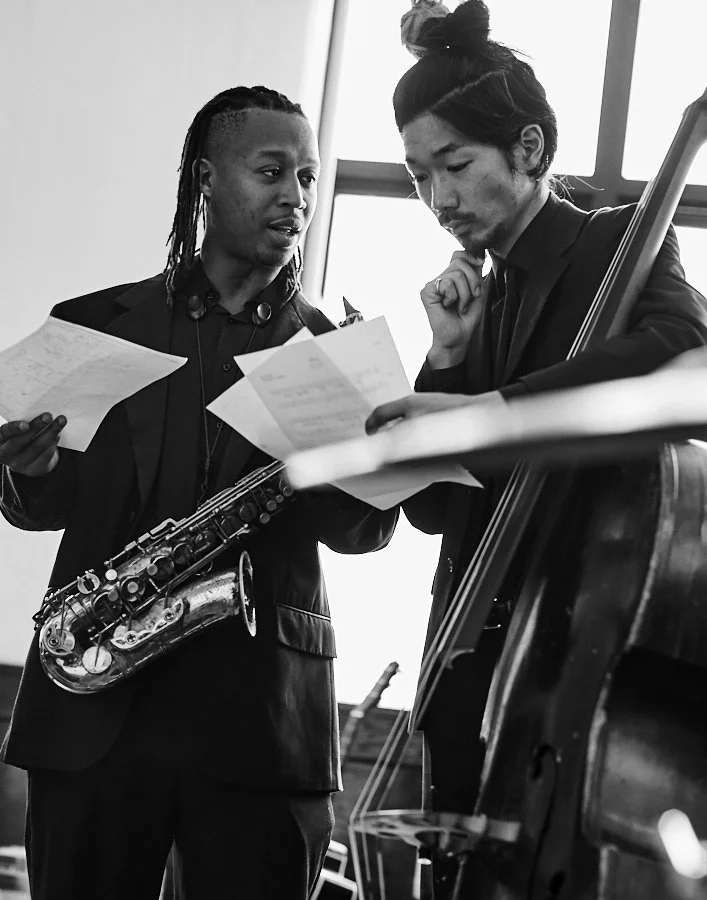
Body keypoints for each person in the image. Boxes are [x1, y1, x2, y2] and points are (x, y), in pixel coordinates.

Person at [0, 85, 397, 900]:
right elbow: (47, 503)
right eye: (271, 171)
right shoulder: (92, 325)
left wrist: (349, 449)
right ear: (205, 179)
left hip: (265, 720)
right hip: (97, 710)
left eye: (309, 177)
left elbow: (363, 529)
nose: (296, 196)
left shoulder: (331, 349)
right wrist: (29, 470)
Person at [364, 1, 707, 896]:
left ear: (527, 147)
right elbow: (436, 512)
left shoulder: (618, 241)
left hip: (570, 656)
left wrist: (490, 410)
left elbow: (682, 348)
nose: (438, 200)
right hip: (464, 656)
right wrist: (447, 357)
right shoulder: (472, 296)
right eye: (417, 177)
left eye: (455, 166)